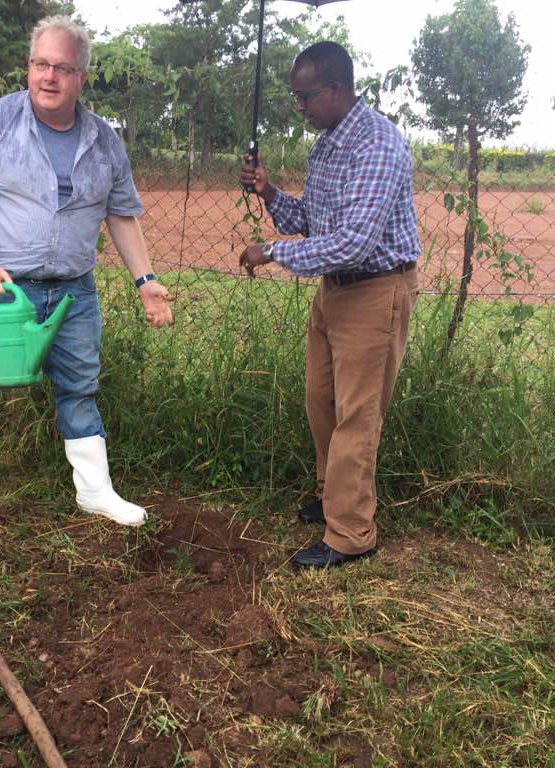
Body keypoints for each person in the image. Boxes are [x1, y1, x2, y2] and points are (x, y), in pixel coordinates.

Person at [0, 15, 173, 534]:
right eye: (39, 64)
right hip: (5, 292)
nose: (47, 77)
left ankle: (95, 493)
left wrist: (145, 282)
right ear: (28, 67)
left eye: (62, 68)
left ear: (82, 77)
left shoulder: (103, 140)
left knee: (79, 387)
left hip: (75, 292)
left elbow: (120, 215)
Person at [238, 41, 420, 570]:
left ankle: (352, 533)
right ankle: (330, 498)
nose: (300, 107)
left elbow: (354, 242)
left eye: (306, 97)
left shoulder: (377, 146)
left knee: (357, 417)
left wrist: (271, 252)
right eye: (296, 97)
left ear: (338, 88)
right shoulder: (328, 143)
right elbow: (314, 223)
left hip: (374, 289)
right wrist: (270, 193)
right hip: (334, 290)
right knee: (322, 403)